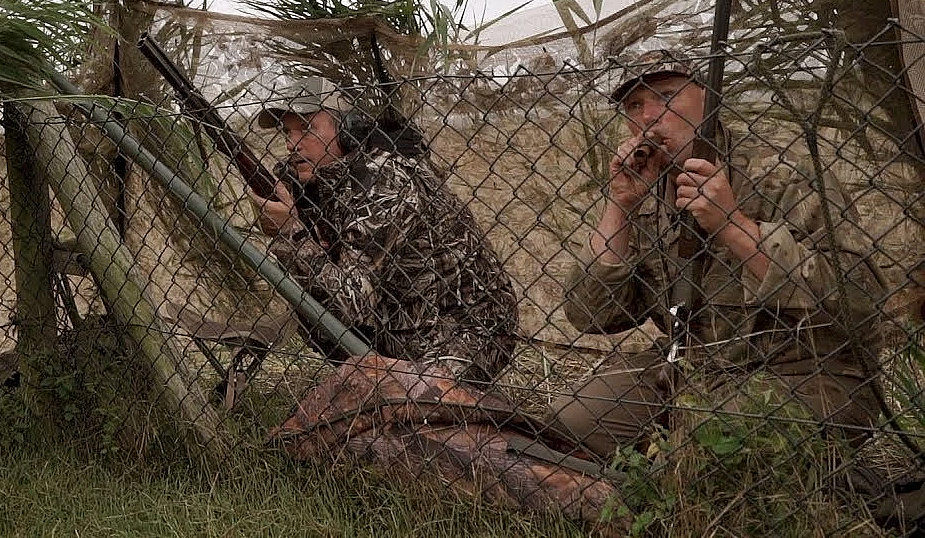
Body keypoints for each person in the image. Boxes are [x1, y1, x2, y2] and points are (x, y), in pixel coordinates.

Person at [543, 49, 884, 460]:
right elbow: (592, 315)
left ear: (708, 99)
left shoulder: (780, 170)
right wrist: (621, 206)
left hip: (806, 371)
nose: (649, 116)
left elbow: (861, 301)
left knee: (709, 446)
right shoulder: (648, 185)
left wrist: (732, 226)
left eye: (667, 96)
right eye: (635, 105)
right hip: (693, 366)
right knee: (570, 423)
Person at [253, 76, 517, 385]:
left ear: (346, 129)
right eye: (287, 131)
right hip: (400, 325)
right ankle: (378, 386)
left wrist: (292, 234)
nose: (292, 143)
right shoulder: (321, 183)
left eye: (307, 129)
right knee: (311, 311)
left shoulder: (384, 182)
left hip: (465, 329)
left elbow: (351, 302)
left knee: (416, 412)